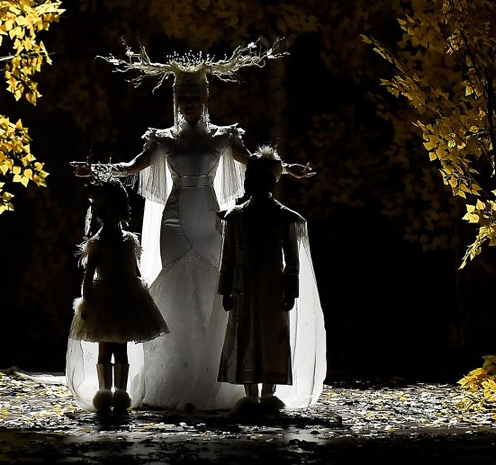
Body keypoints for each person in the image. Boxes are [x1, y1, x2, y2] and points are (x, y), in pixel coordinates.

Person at [68, 38, 326, 411]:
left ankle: (219, 376)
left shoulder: (223, 137)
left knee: (212, 284)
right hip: (173, 221)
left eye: (195, 96)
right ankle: (169, 376)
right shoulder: (163, 139)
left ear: (206, 98)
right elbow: (131, 167)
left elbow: (253, 163)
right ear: (176, 101)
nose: (189, 103)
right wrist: (96, 170)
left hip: (208, 214)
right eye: (183, 97)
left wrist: (287, 168)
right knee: (176, 285)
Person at [217, 145, 318, 415]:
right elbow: (227, 257)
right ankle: (249, 394)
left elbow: (292, 259)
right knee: (245, 332)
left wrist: (291, 291)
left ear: (269, 181)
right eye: (248, 176)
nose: (249, 182)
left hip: (271, 284)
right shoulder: (235, 217)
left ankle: (269, 394)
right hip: (243, 285)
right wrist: (225, 290)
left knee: (273, 334)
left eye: (255, 177)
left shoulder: (282, 217)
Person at [66, 177, 169, 414]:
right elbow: (88, 276)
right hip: (107, 300)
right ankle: (106, 393)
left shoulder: (128, 241)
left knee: (118, 347)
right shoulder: (97, 244)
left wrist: (141, 292)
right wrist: (87, 302)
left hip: (124, 298)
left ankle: (119, 394)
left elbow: (135, 270)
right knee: (106, 347)